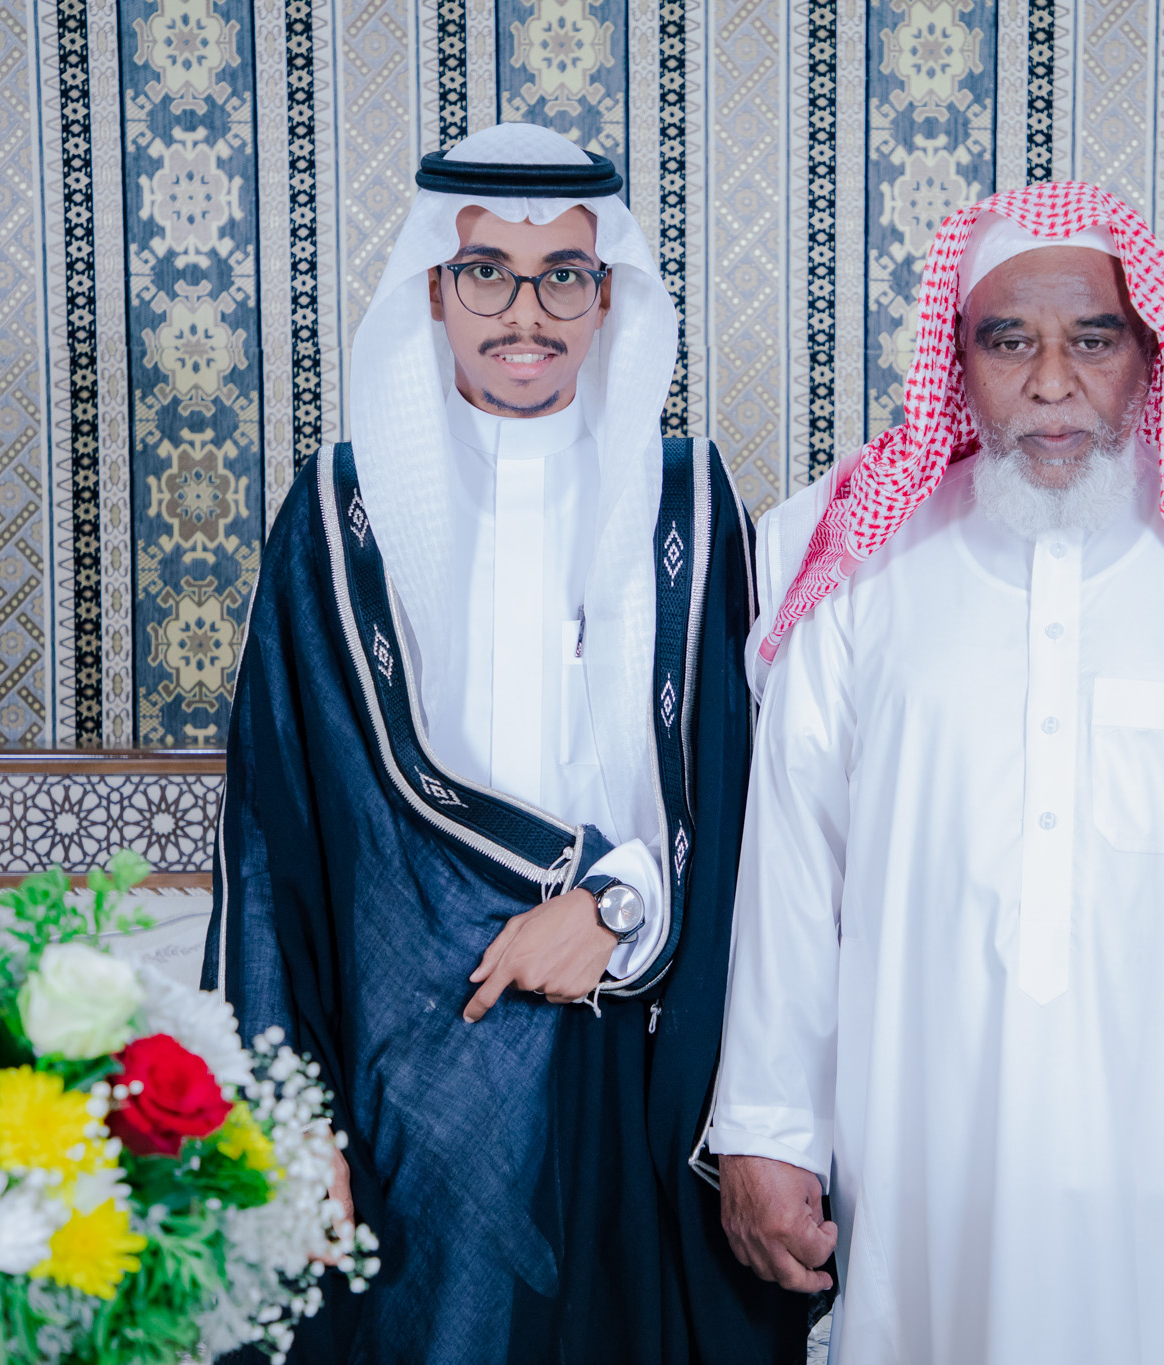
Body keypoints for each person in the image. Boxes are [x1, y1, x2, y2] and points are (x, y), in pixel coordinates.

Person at [707, 182, 1164, 1363]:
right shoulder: (863, 577)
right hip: (925, 1162)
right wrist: (765, 1129)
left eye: (1092, 341)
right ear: (958, 364)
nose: (1051, 383)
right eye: (1009, 343)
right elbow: (792, 876)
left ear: (1147, 359)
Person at [203, 123, 804, 1363]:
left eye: (562, 277)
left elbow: (748, 804)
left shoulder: (688, 504)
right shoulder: (338, 515)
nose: (524, 313)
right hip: (402, 1070)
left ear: (606, 297)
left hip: (634, 1057)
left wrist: (618, 912)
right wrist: (283, 1113)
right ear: (433, 288)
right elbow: (273, 836)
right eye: (485, 273)